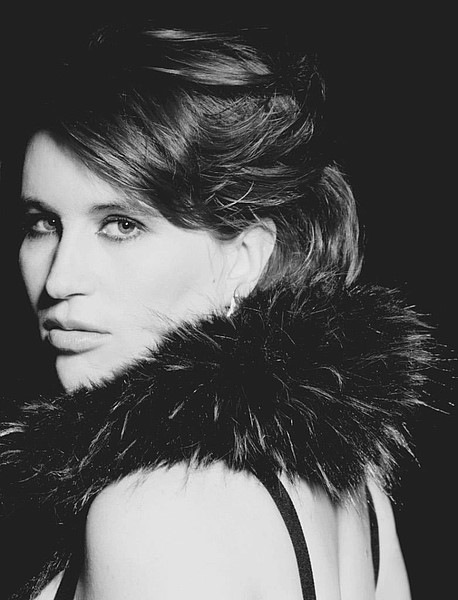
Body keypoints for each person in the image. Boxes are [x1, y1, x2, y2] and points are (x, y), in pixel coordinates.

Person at [0, 21, 437, 600]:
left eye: (121, 225)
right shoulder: (358, 489)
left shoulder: (153, 512)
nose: (58, 280)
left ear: (243, 259)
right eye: (42, 224)